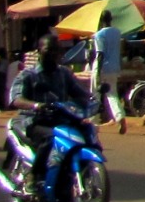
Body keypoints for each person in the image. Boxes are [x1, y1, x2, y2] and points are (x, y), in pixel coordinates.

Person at [10, 35, 94, 193]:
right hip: (35, 121)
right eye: (49, 50)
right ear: (39, 51)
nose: (53, 54)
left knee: (86, 131)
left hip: (61, 119)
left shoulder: (64, 73)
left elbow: (78, 92)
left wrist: (93, 99)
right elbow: (16, 99)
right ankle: (33, 178)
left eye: (57, 51)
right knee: (50, 139)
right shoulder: (28, 75)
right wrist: (36, 105)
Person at [91, 12, 126, 134]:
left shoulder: (99, 35)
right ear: (111, 20)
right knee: (112, 94)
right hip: (114, 67)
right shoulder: (117, 33)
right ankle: (120, 116)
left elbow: (100, 54)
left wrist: (98, 73)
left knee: (95, 93)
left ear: (101, 21)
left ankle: (94, 121)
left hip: (102, 67)